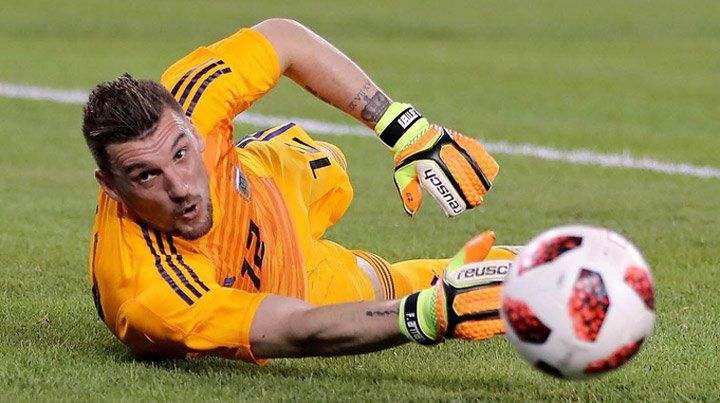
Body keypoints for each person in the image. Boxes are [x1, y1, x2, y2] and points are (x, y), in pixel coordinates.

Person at [82, 18, 517, 362]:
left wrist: (405, 130)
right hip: (285, 281)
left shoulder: (191, 98)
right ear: (111, 187)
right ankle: (541, 266)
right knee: (399, 287)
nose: (179, 188)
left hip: (271, 179)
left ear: (193, 133)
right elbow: (296, 328)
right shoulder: (148, 294)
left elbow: (285, 39)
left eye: (180, 154)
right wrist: (422, 315)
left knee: (335, 168)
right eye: (146, 176)